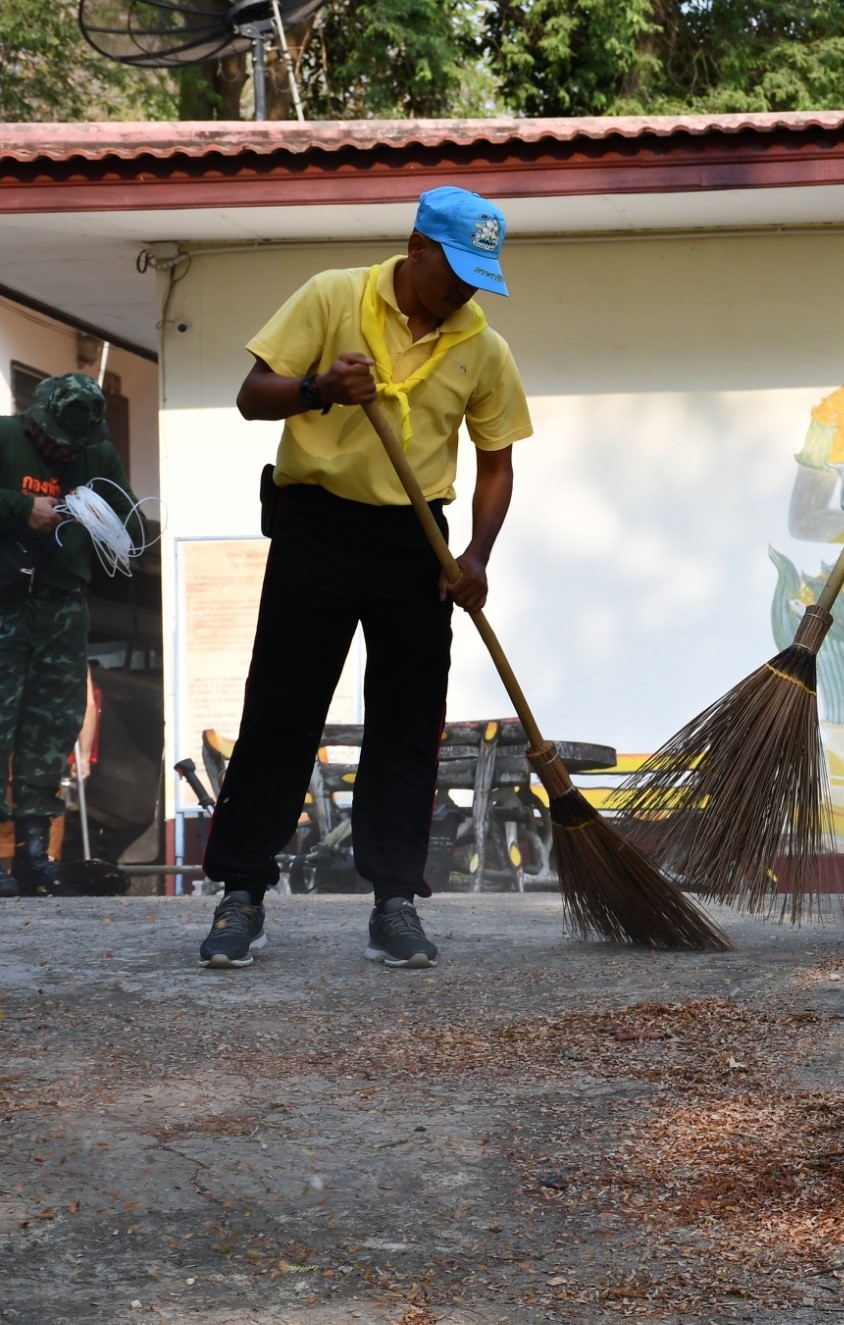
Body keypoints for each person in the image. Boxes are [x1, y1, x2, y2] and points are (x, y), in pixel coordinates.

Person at [200, 186, 532, 970]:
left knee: (408, 720)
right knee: (282, 707)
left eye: (480, 275)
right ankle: (243, 892)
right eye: (455, 270)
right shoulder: (333, 296)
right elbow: (253, 397)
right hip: (316, 523)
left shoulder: (484, 347)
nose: (465, 289)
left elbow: (496, 463)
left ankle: (395, 901)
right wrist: (317, 389)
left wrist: (477, 554)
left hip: (416, 539)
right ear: (416, 247)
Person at [0, 374, 135, 895]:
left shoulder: (96, 454)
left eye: (72, 441)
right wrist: (19, 505)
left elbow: (126, 522)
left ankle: (34, 855)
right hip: (6, 600)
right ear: (35, 419)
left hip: (62, 606)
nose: (62, 448)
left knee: (51, 727)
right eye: (54, 437)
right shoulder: (6, 438)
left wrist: (93, 509)